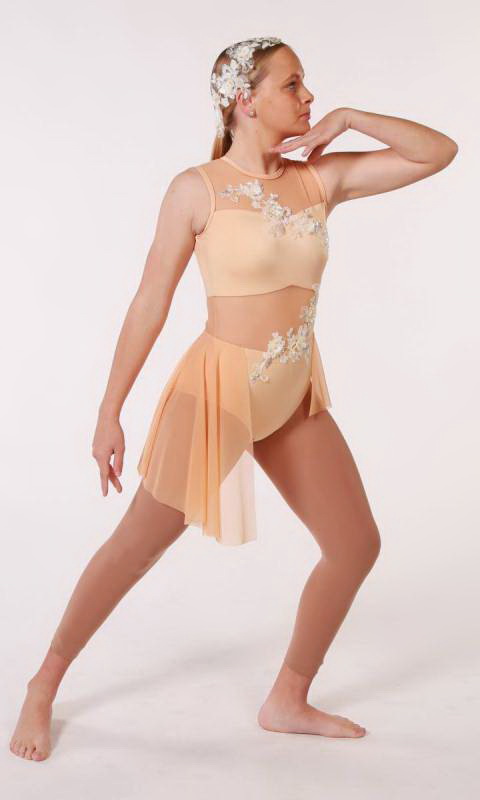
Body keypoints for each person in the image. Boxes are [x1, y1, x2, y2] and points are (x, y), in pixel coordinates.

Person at [9, 36, 458, 761]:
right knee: (137, 547)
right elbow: (150, 302)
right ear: (245, 100)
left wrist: (347, 118)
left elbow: (438, 152)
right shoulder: (198, 189)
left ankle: (287, 698)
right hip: (217, 393)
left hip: (292, 392)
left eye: (307, 85)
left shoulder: (320, 180)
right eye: (293, 84)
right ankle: (43, 682)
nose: (308, 97)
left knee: (354, 546)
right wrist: (108, 411)